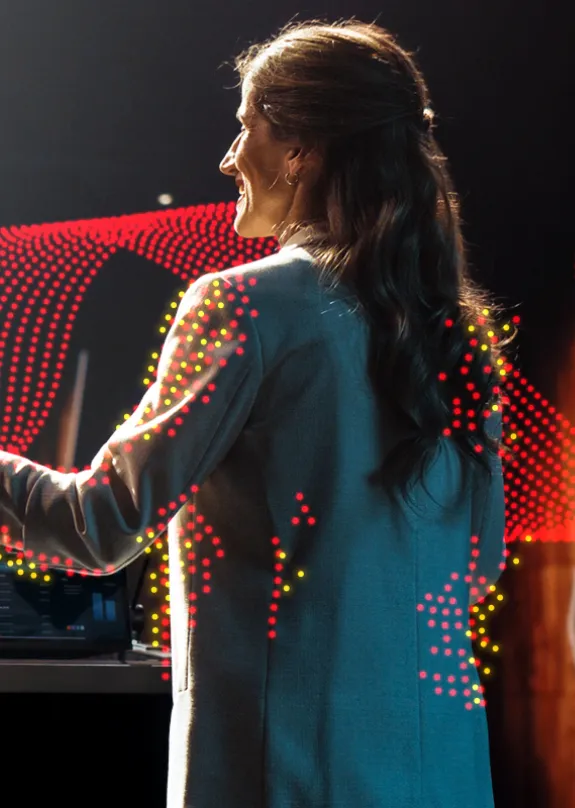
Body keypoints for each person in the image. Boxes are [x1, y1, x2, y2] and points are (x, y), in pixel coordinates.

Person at [0, 18, 509, 808]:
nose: (229, 157)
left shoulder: (243, 305)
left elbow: (100, 523)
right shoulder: (456, 331)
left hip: (284, 778)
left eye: (246, 128)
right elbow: (475, 570)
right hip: (444, 776)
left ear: (302, 148)